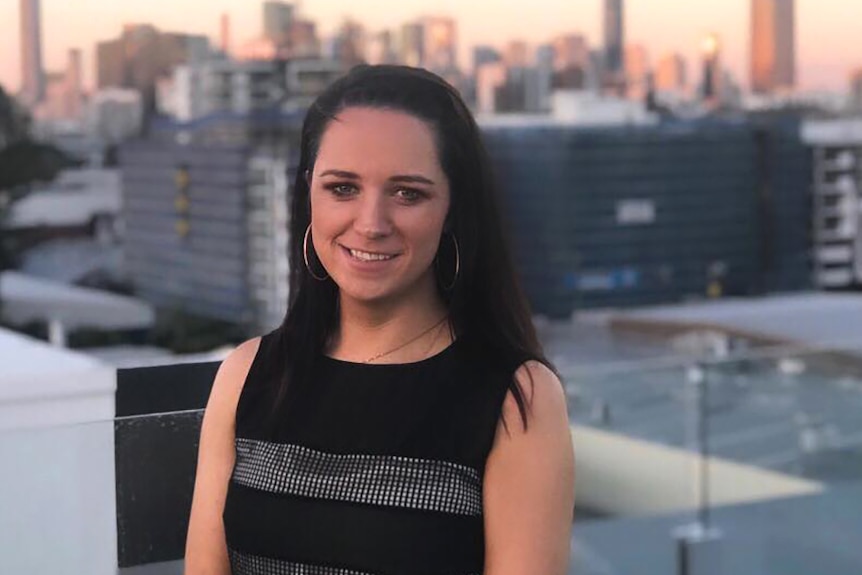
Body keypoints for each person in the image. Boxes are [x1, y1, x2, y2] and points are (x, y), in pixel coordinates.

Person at [185, 65, 575, 575]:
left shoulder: (515, 399)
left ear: (453, 209)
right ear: (308, 196)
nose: (371, 225)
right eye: (342, 188)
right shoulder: (247, 374)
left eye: (407, 193)